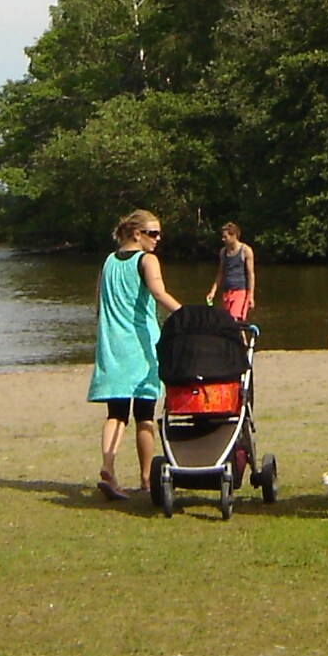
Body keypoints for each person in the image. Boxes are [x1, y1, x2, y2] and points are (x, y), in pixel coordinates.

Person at [92, 210, 180, 500]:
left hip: (111, 345)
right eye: (153, 233)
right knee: (144, 415)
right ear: (136, 234)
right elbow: (158, 293)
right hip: (141, 346)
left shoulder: (108, 261)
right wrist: (188, 315)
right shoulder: (147, 260)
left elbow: (98, 303)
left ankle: (108, 466)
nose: (158, 239)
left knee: (116, 413)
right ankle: (146, 477)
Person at [206, 222, 258, 323]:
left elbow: (251, 274)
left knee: (234, 320)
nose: (223, 239)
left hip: (240, 292)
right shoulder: (223, 252)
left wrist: (251, 296)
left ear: (234, 236)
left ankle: (237, 339)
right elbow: (220, 273)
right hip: (227, 292)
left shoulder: (246, 250)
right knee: (229, 321)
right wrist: (212, 292)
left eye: (225, 237)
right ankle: (241, 339)